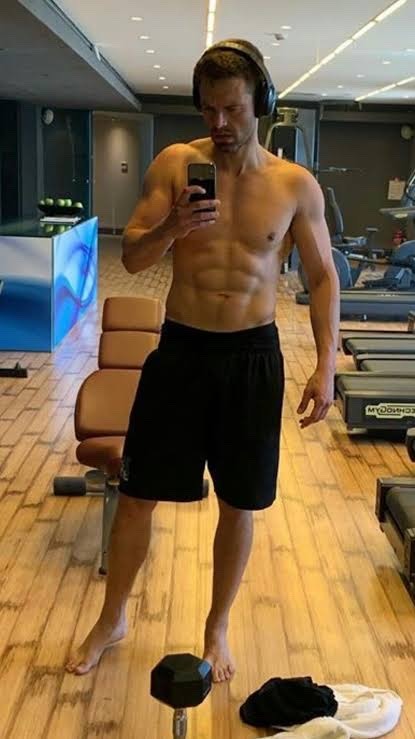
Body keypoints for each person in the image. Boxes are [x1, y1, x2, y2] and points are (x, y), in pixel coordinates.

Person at [66, 39, 339, 682]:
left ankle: (217, 627)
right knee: (137, 495)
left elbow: (324, 277)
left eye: (232, 109)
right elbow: (133, 257)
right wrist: (172, 229)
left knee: (239, 504)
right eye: (209, 109)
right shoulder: (174, 165)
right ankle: (112, 617)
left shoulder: (294, 185)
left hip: (252, 357)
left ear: (260, 103)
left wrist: (326, 364)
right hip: (182, 351)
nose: (219, 122)